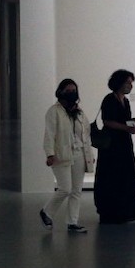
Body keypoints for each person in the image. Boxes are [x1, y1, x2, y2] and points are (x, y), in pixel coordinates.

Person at [39, 79, 95, 234]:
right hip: (61, 155)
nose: (72, 93)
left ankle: (72, 222)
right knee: (65, 188)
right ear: (61, 92)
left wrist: (89, 154)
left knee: (76, 190)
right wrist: (49, 153)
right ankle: (46, 212)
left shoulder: (80, 113)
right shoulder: (54, 111)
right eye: (68, 91)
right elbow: (49, 134)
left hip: (79, 154)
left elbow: (86, 135)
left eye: (74, 90)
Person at [93, 69, 135, 224]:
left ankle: (125, 211)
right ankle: (111, 212)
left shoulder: (126, 101)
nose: (130, 86)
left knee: (125, 176)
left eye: (131, 83)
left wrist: (132, 123)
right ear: (119, 83)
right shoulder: (109, 99)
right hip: (111, 145)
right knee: (111, 177)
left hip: (124, 144)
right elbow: (107, 121)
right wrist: (127, 128)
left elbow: (123, 119)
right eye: (128, 82)